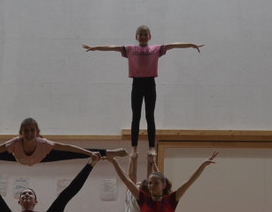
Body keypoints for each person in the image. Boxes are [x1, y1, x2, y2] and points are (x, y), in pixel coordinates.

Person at [82, 25, 203, 156]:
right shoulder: (130, 49)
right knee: (136, 116)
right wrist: (94, 48)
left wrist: (191, 45)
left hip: (150, 83)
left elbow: (173, 45)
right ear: (136, 37)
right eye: (141, 34)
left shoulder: (155, 49)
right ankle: (134, 147)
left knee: (150, 116)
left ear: (150, 37)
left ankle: (151, 147)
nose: (143, 37)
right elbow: (112, 47)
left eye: (145, 34)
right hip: (137, 84)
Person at [0, 117, 127, 166]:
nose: (29, 133)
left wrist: (91, 154)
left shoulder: (44, 144)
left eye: (32, 131)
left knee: (75, 153)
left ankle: (110, 153)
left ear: (38, 132)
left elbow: (69, 147)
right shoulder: (15, 142)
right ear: (20, 132)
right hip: (16, 156)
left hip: (43, 157)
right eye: (26, 131)